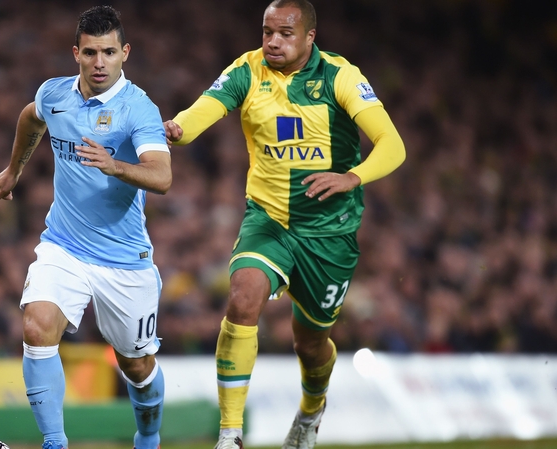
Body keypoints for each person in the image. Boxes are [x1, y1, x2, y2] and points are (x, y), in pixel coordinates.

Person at [163, 1, 406, 448]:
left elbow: (393, 145)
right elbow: (204, 111)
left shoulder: (340, 76)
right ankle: (230, 434)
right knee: (242, 297)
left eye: (285, 34)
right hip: (269, 220)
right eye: (267, 31)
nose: (272, 41)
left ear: (309, 37)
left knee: (309, 345)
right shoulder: (247, 70)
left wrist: (352, 176)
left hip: (329, 234)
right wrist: (178, 128)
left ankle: (312, 412)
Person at [0, 6, 171, 449]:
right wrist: (14, 170)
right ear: (76, 53)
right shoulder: (55, 94)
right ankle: (56, 443)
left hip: (124, 259)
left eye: (109, 52)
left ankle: (148, 438)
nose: (99, 63)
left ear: (124, 52)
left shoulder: (139, 109)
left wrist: (116, 166)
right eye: (90, 52)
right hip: (64, 245)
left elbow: (162, 176)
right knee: (36, 326)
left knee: (137, 367)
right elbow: (31, 118)